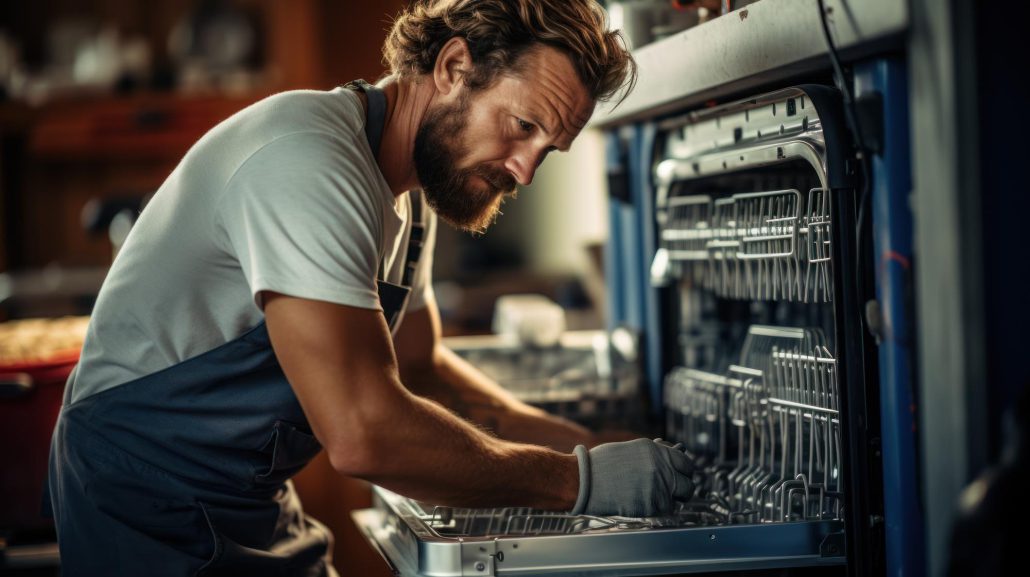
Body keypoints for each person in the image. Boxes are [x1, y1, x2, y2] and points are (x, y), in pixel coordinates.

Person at [46, 0, 696, 574]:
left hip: (241, 496)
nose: (526, 171)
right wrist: (579, 482)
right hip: (143, 497)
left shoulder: (407, 198)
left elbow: (420, 369)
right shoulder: (309, 163)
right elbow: (363, 432)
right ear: (452, 68)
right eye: (522, 125)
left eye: (548, 148)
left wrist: (594, 450)